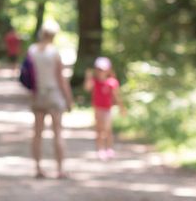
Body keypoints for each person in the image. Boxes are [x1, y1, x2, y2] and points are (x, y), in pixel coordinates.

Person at [26, 21, 73, 179]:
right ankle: (60, 169)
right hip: (54, 95)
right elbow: (61, 79)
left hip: (37, 95)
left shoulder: (32, 50)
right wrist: (69, 99)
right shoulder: (54, 53)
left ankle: (38, 168)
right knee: (58, 133)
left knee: (37, 134)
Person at [84, 56, 124, 160]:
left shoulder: (112, 82)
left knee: (108, 130)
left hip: (108, 109)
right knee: (99, 130)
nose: (101, 72)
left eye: (103, 69)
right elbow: (87, 88)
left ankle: (109, 148)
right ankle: (100, 149)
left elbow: (117, 96)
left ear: (108, 70)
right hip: (98, 109)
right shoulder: (94, 81)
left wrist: (121, 108)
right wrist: (88, 77)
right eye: (99, 69)